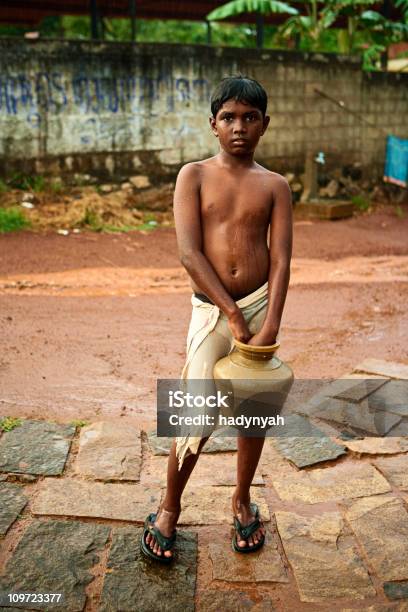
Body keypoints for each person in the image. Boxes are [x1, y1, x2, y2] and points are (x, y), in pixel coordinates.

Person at [141, 75, 293, 563]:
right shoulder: (194, 175)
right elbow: (189, 253)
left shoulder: (275, 185)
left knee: (254, 412)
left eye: (250, 117)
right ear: (213, 124)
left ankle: (242, 499)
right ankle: (169, 507)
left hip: (258, 308)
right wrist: (229, 312)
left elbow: (281, 260)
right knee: (195, 413)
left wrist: (269, 322)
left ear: (265, 125)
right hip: (212, 312)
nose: (239, 127)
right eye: (229, 117)